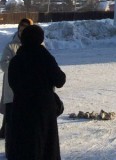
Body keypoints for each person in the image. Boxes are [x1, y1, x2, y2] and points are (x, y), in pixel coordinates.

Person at [6, 24, 66, 160]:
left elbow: (12, 83)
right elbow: (60, 80)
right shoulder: (46, 58)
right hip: (44, 109)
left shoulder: (16, 60)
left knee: (24, 147)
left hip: (22, 108)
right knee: (46, 148)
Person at [0, 18, 32, 139]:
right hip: (12, 86)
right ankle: (7, 134)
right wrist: (18, 68)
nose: (22, 32)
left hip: (29, 87)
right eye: (20, 29)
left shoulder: (38, 45)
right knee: (11, 111)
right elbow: (3, 64)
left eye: (25, 30)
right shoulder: (11, 46)